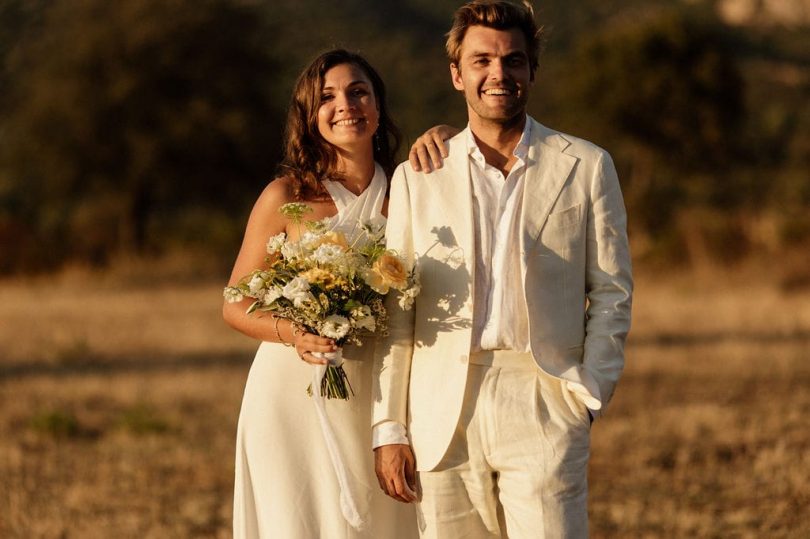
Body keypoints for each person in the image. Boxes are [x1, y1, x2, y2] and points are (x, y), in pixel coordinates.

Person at [372, 1, 634, 538]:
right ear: (456, 73)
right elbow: (398, 306)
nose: (499, 73)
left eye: (513, 60)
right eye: (481, 60)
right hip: (440, 405)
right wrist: (390, 425)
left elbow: (611, 291)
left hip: (543, 392)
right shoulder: (418, 176)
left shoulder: (586, 165)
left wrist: (587, 394)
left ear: (532, 70)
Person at [223, 49, 447, 538]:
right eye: (326, 97)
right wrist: (293, 333)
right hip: (291, 394)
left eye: (358, 91)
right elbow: (235, 304)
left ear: (379, 105)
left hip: (381, 395)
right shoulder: (287, 196)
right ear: (309, 115)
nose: (345, 104)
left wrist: (448, 135)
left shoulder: (412, 191)